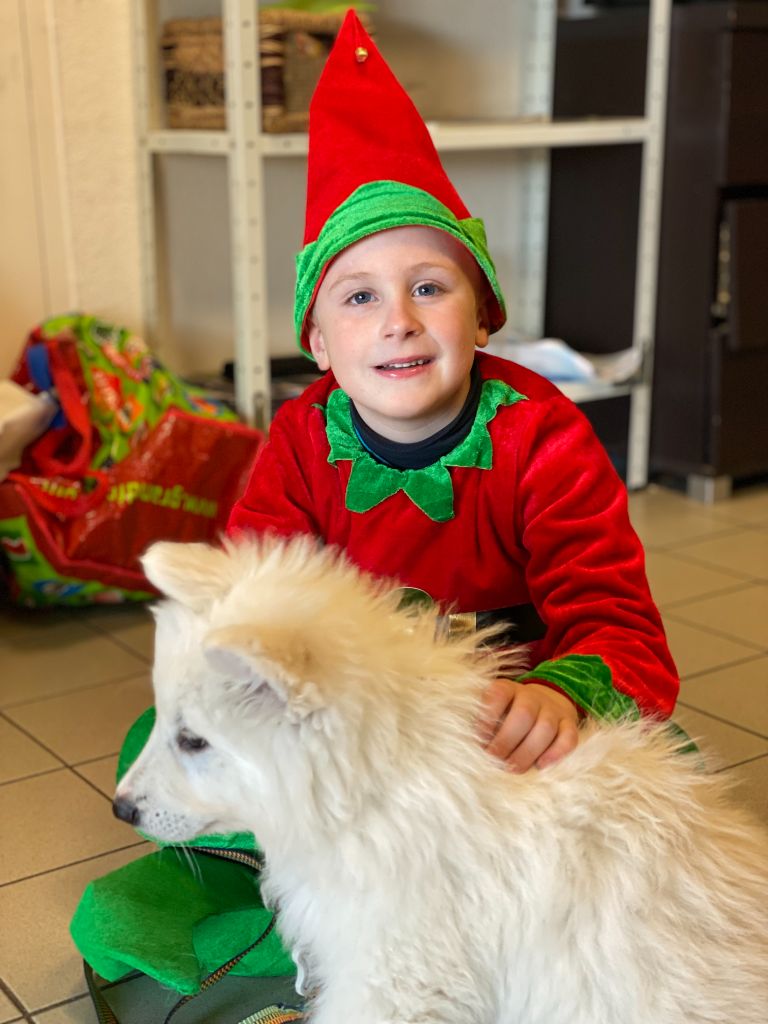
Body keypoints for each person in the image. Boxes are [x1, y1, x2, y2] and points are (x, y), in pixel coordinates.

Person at [227, 10, 679, 774]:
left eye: (429, 288)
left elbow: (616, 617)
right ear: (318, 343)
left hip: (504, 713)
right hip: (356, 712)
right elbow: (251, 598)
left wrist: (557, 698)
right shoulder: (300, 441)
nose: (398, 322)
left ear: (482, 319)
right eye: (359, 298)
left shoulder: (543, 436)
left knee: (652, 775)